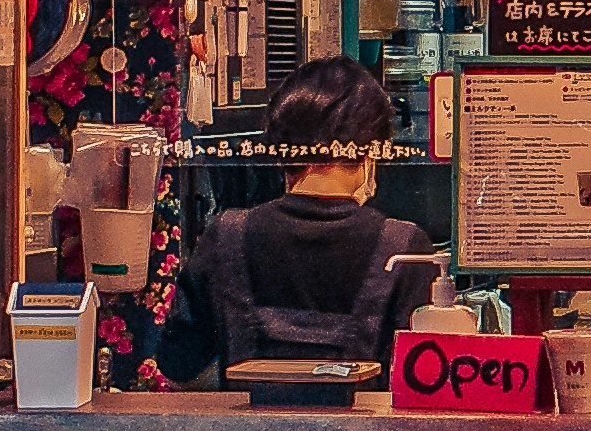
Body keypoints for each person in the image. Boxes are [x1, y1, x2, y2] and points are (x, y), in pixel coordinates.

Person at [160, 62, 429, 382]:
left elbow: (177, 361)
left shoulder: (226, 236)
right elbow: (423, 379)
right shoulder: (405, 250)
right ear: (371, 153)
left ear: (280, 154)